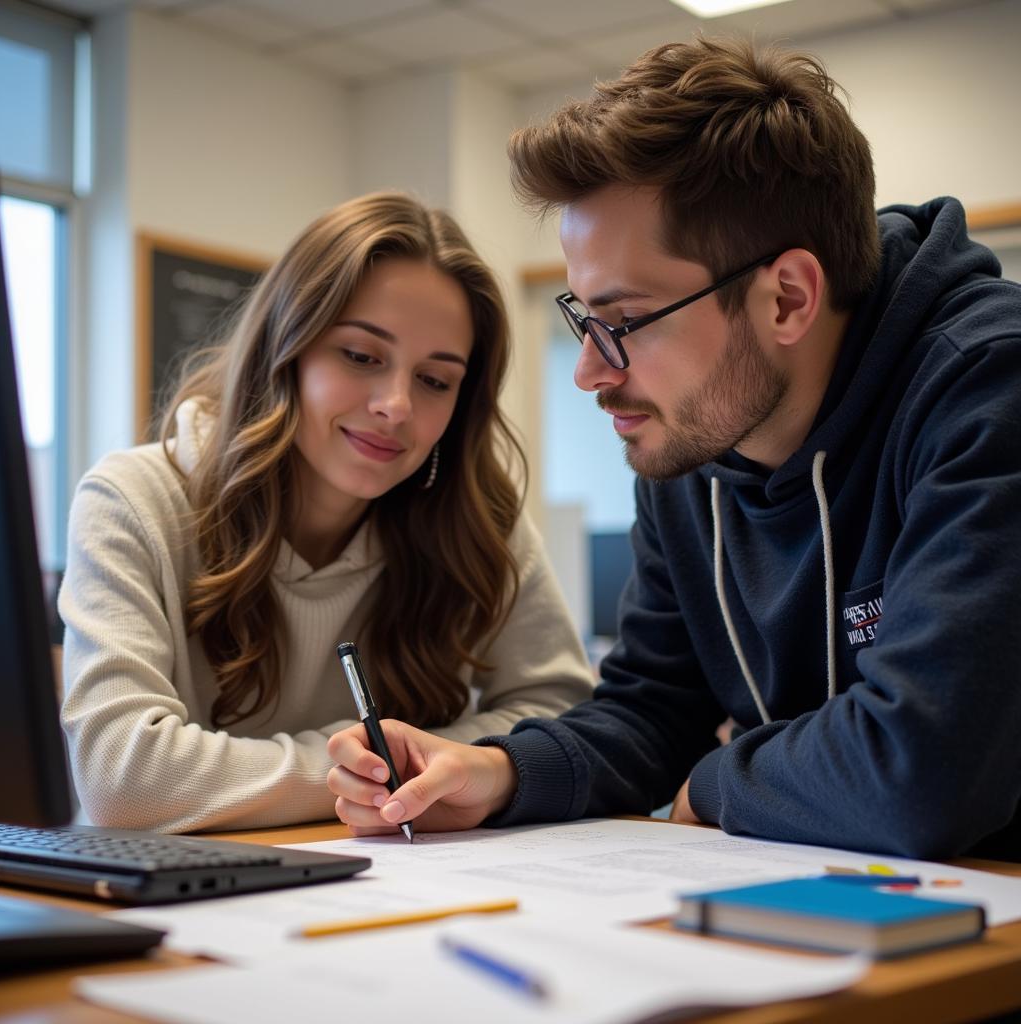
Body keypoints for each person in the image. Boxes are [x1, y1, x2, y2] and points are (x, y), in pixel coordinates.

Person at [327, 38, 1021, 861]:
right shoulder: (691, 444)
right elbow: (655, 709)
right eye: (585, 321)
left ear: (788, 298)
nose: (590, 371)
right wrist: (497, 771)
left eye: (622, 323)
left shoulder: (987, 386)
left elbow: (924, 766)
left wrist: (715, 781)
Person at [59, 192, 594, 834]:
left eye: (435, 380)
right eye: (361, 356)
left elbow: (562, 717)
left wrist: (443, 766)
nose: (396, 404)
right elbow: (124, 780)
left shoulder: (479, 518)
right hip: (171, 902)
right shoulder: (133, 500)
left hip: (387, 886)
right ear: (286, 349)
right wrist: (375, 772)